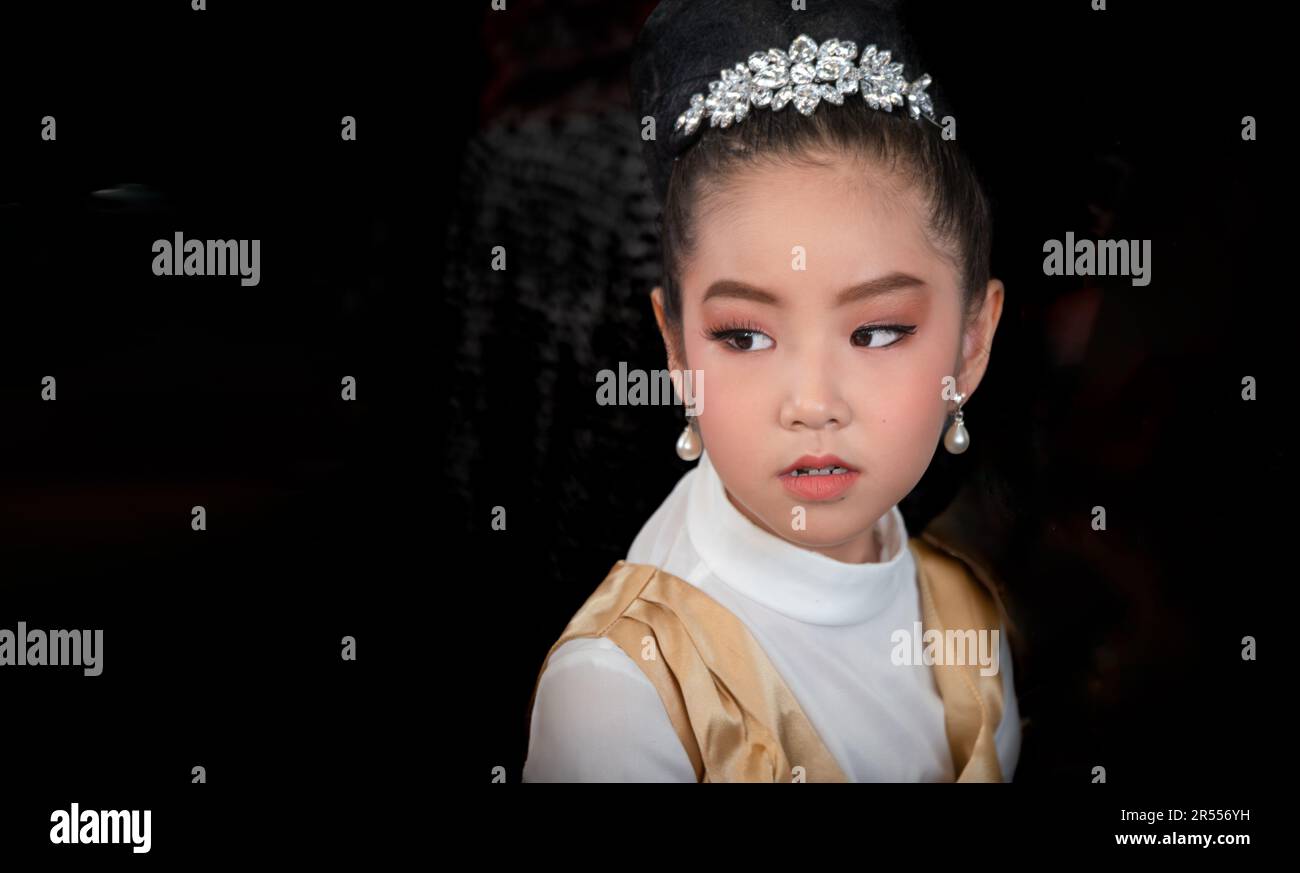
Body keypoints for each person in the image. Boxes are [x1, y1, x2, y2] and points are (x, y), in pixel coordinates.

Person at [523, 0, 1020, 782]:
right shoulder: (623, 696)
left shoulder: (963, 610)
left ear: (973, 341)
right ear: (678, 347)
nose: (812, 402)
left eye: (878, 331)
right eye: (745, 337)